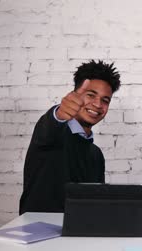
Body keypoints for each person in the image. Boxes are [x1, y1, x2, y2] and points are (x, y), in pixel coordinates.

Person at [19, 60, 121, 214]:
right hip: (39, 231)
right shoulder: (54, 133)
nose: (98, 104)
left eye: (105, 100)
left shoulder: (96, 154)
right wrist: (59, 113)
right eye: (91, 95)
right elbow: (49, 126)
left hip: (79, 231)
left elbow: (94, 202)